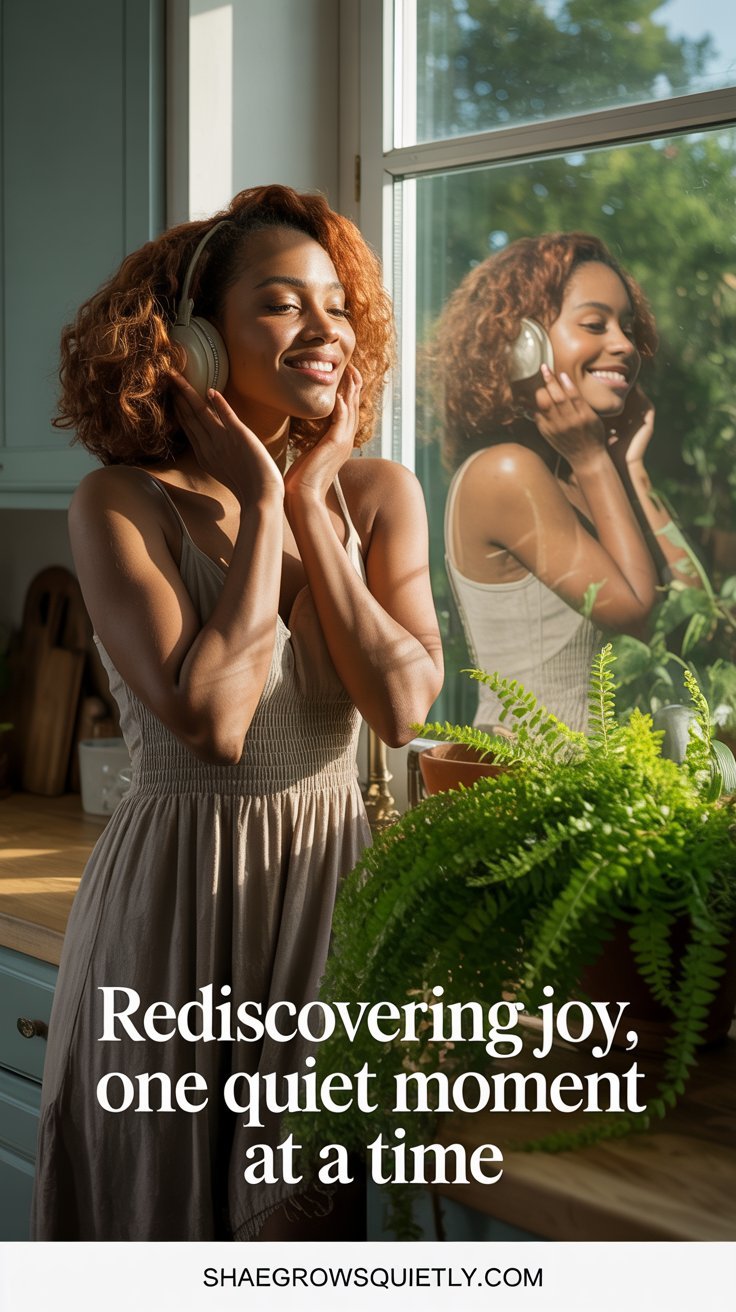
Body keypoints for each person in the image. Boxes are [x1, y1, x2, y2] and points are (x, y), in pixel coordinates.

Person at [31, 184, 443, 1241]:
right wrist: (265, 506)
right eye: (282, 303)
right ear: (194, 342)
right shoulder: (121, 503)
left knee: (300, 1231)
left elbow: (400, 706)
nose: (323, 329)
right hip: (174, 913)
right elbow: (211, 720)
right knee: (163, 1221)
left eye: (337, 306)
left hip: (329, 907)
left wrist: (311, 497)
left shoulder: (378, 495)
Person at [433, 231, 696, 732]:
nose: (623, 344)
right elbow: (638, 615)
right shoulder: (505, 471)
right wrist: (597, 460)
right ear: (522, 344)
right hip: (531, 787)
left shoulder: (580, 473)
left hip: (604, 791)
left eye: (627, 325)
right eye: (595, 324)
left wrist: (629, 467)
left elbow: (690, 616)